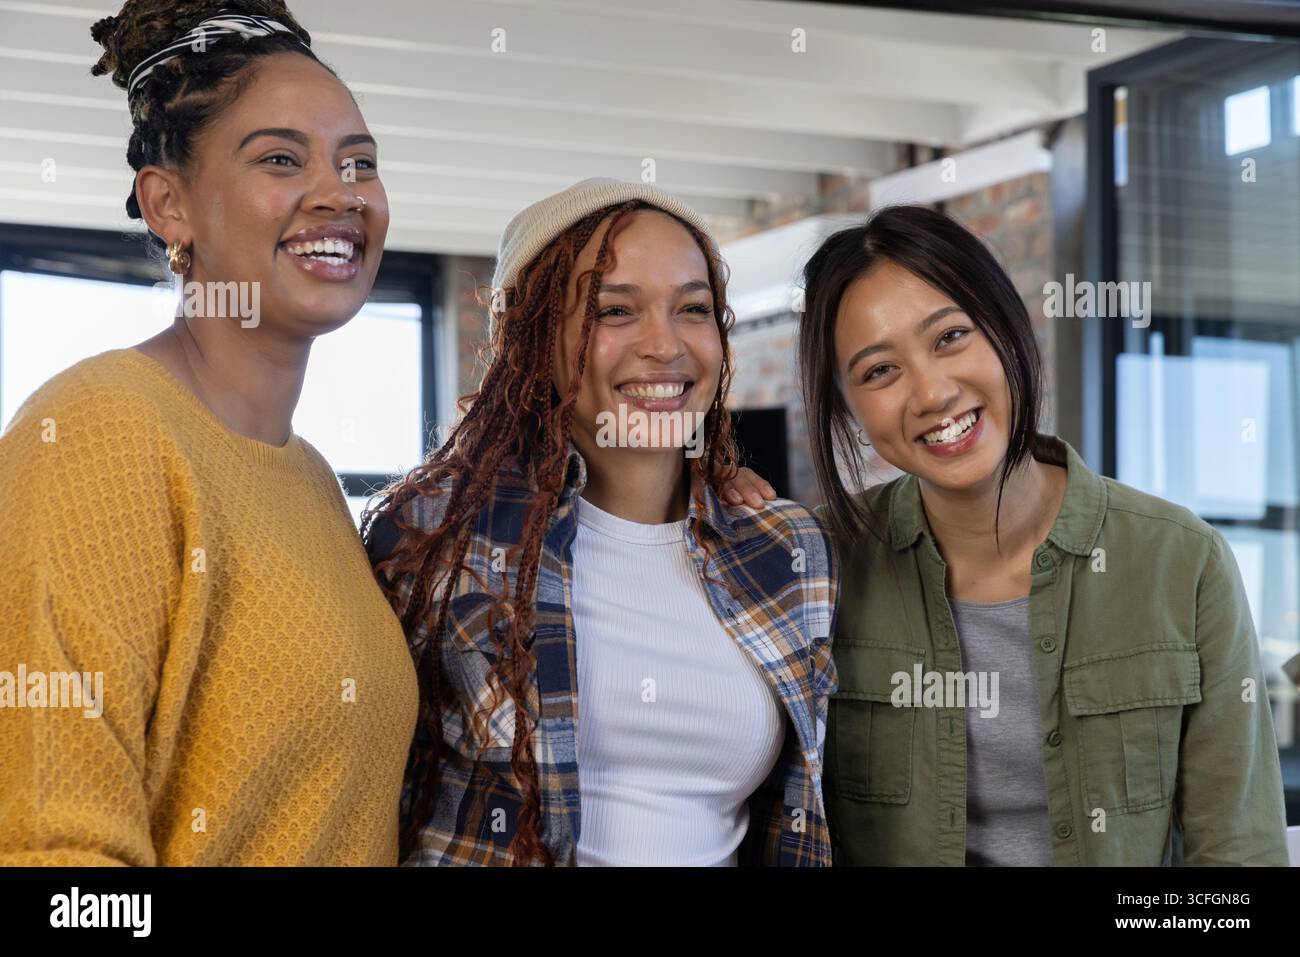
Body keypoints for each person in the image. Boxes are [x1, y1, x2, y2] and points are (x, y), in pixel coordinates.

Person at [0, 0, 416, 865]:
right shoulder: (98, 430)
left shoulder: (312, 483)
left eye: (360, 163)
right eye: (279, 158)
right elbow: (53, 853)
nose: (339, 193)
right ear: (169, 204)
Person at [365, 178, 837, 866]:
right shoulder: (433, 539)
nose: (664, 344)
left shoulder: (789, 549)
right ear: (528, 340)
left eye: (693, 308)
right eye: (615, 311)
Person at [799, 203, 1289, 865]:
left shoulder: (1182, 561)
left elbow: (1237, 863)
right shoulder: (815, 566)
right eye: (880, 371)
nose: (932, 392)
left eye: (950, 337)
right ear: (850, 412)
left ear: (1007, 331)